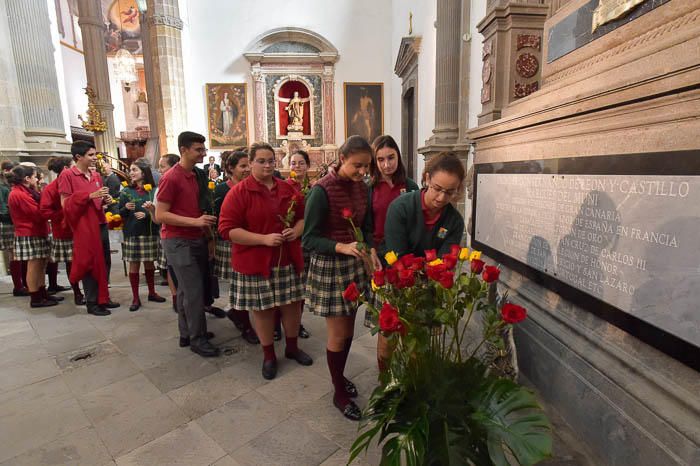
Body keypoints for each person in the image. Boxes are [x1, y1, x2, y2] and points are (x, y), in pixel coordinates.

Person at [302, 135, 382, 420]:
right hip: (332, 267)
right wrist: (341, 246)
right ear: (341, 159)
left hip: (354, 265)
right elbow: (309, 238)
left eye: (366, 167)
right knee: (337, 333)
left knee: (349, 329)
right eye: (356, 166)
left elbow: (368, 226)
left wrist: (370, 248)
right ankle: (338, 391)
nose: (362, 172)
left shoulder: (364, 187)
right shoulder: (321, 191)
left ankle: (340, 376)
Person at [218, 142, 313, 380]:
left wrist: (297, 231)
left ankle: (291, 348)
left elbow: (302, 217)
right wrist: (262, 239)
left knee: (292, 305)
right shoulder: (239, 192)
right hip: (256, 262)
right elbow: (226, 230)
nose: (267, 165)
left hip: (286, 260)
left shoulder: (287, 188)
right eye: (261, 161)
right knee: (263, 309)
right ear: (250, 163)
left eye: (271, 160)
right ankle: (269, 355)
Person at [379, 152, 466, 368]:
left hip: (429, 290)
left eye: (449, 192)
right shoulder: (401, 207)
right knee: (389, 340)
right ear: (427, 178)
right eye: (437, 188)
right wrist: (427, 267)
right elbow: (396, 256)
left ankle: (414, 385)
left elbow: (446, 263)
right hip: (398, 282)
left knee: (420, 345)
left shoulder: (453, 221)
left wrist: (434, 271)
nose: (441, 198)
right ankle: (386, 384)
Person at [156, 132, 220, 358]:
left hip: (195, 237)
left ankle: (187, 332)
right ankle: (198, 339)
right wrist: (196, 222)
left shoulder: (196, 175)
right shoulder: (171, 178)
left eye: (204, 149)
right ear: (184, 150)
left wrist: (207, 235)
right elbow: (161, 214)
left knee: (186, 289)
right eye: (198, 150)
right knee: (193, 291)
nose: (203, 153)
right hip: (177, 240)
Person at [59, 141, 119, 316]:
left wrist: (104, 201)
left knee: (104, 261)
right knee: (90, 263)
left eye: (95, 154)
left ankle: (103, 297)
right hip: (84, 226)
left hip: (99, 221)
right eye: (91, 155)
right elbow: (65, 205)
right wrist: (88, 196)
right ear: (78, 157)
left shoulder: (96, 175)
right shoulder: (67, 175)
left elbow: (97, 199)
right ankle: (92, 302)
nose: (95, 158)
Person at [213, 150, 259, 344]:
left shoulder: (254, 186)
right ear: (230, 168)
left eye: (249, 165)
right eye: (242, 166)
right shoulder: (222, 190)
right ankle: (244, 322)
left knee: (247, 285)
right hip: (231, 242)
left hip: (251, 241)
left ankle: (239, 314)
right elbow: (219, 220)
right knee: (238, 285)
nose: (247, 169)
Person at [7, 165, 59, 308]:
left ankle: (42, 292)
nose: (37, 179)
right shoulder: (18, 194)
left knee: (41, 265)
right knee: (33, 266)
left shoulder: (27, 191)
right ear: (27, 179)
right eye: (35, 177)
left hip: (37, 231)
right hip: (29, 233)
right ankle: (35, 297)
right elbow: (37, 214)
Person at [119, 159, 166, 312]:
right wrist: (125, 208)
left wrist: (146, 213)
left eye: (134, 170)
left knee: (149, 263)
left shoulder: (153, 190)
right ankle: (135, 297)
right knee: (134, 264)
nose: (131, 173)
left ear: (143, 173)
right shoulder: (126, 191)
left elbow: (159, 210)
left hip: (149, 231)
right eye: (130, 170)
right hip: (132, 232)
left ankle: (152, 292)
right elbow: (120, 214)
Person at [40, 156, 84, 305]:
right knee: (71, 264)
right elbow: (45, 211)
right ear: (66, 169)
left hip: (81, 228)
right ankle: (77, 292)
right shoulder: (51, 188)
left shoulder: (76, 182)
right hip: (65, 231)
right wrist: (65, 212)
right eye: (73, 165)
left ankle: (87, 290)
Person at [369, 135, 420, 259]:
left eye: (391, 158)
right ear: (374, 162)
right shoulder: (369, 189)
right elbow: (366, 226)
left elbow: (417, 221)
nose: (387, 165)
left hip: (405, 251)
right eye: (381, 159)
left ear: (398, 156)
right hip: (378, 252)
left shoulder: (410, 186)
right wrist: (370, 249)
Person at [286, 149, 314, 339]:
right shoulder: (283, 186)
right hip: (290, 241)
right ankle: (277, 325)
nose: (297, 166)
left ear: (308, 166)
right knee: (286, 286)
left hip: (307, 242)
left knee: (301, 287)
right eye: (293, 163)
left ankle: (297, 324)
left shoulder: (313, 188)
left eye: (301, 163)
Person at [156, 153, 180, 308]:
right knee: (171, 268)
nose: (159, 170)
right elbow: (158, 217)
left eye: (162, 166)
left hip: (183, 233)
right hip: (169, 233)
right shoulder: (163, 184)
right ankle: (175, 298)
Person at [0, 160, 27, 296]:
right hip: (8, 223)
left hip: (14, 222)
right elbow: (2, 208)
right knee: (14, 255)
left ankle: (23, 284)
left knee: (18, 255)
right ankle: (18, 286)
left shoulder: (8, 186)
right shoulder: (2, 187)